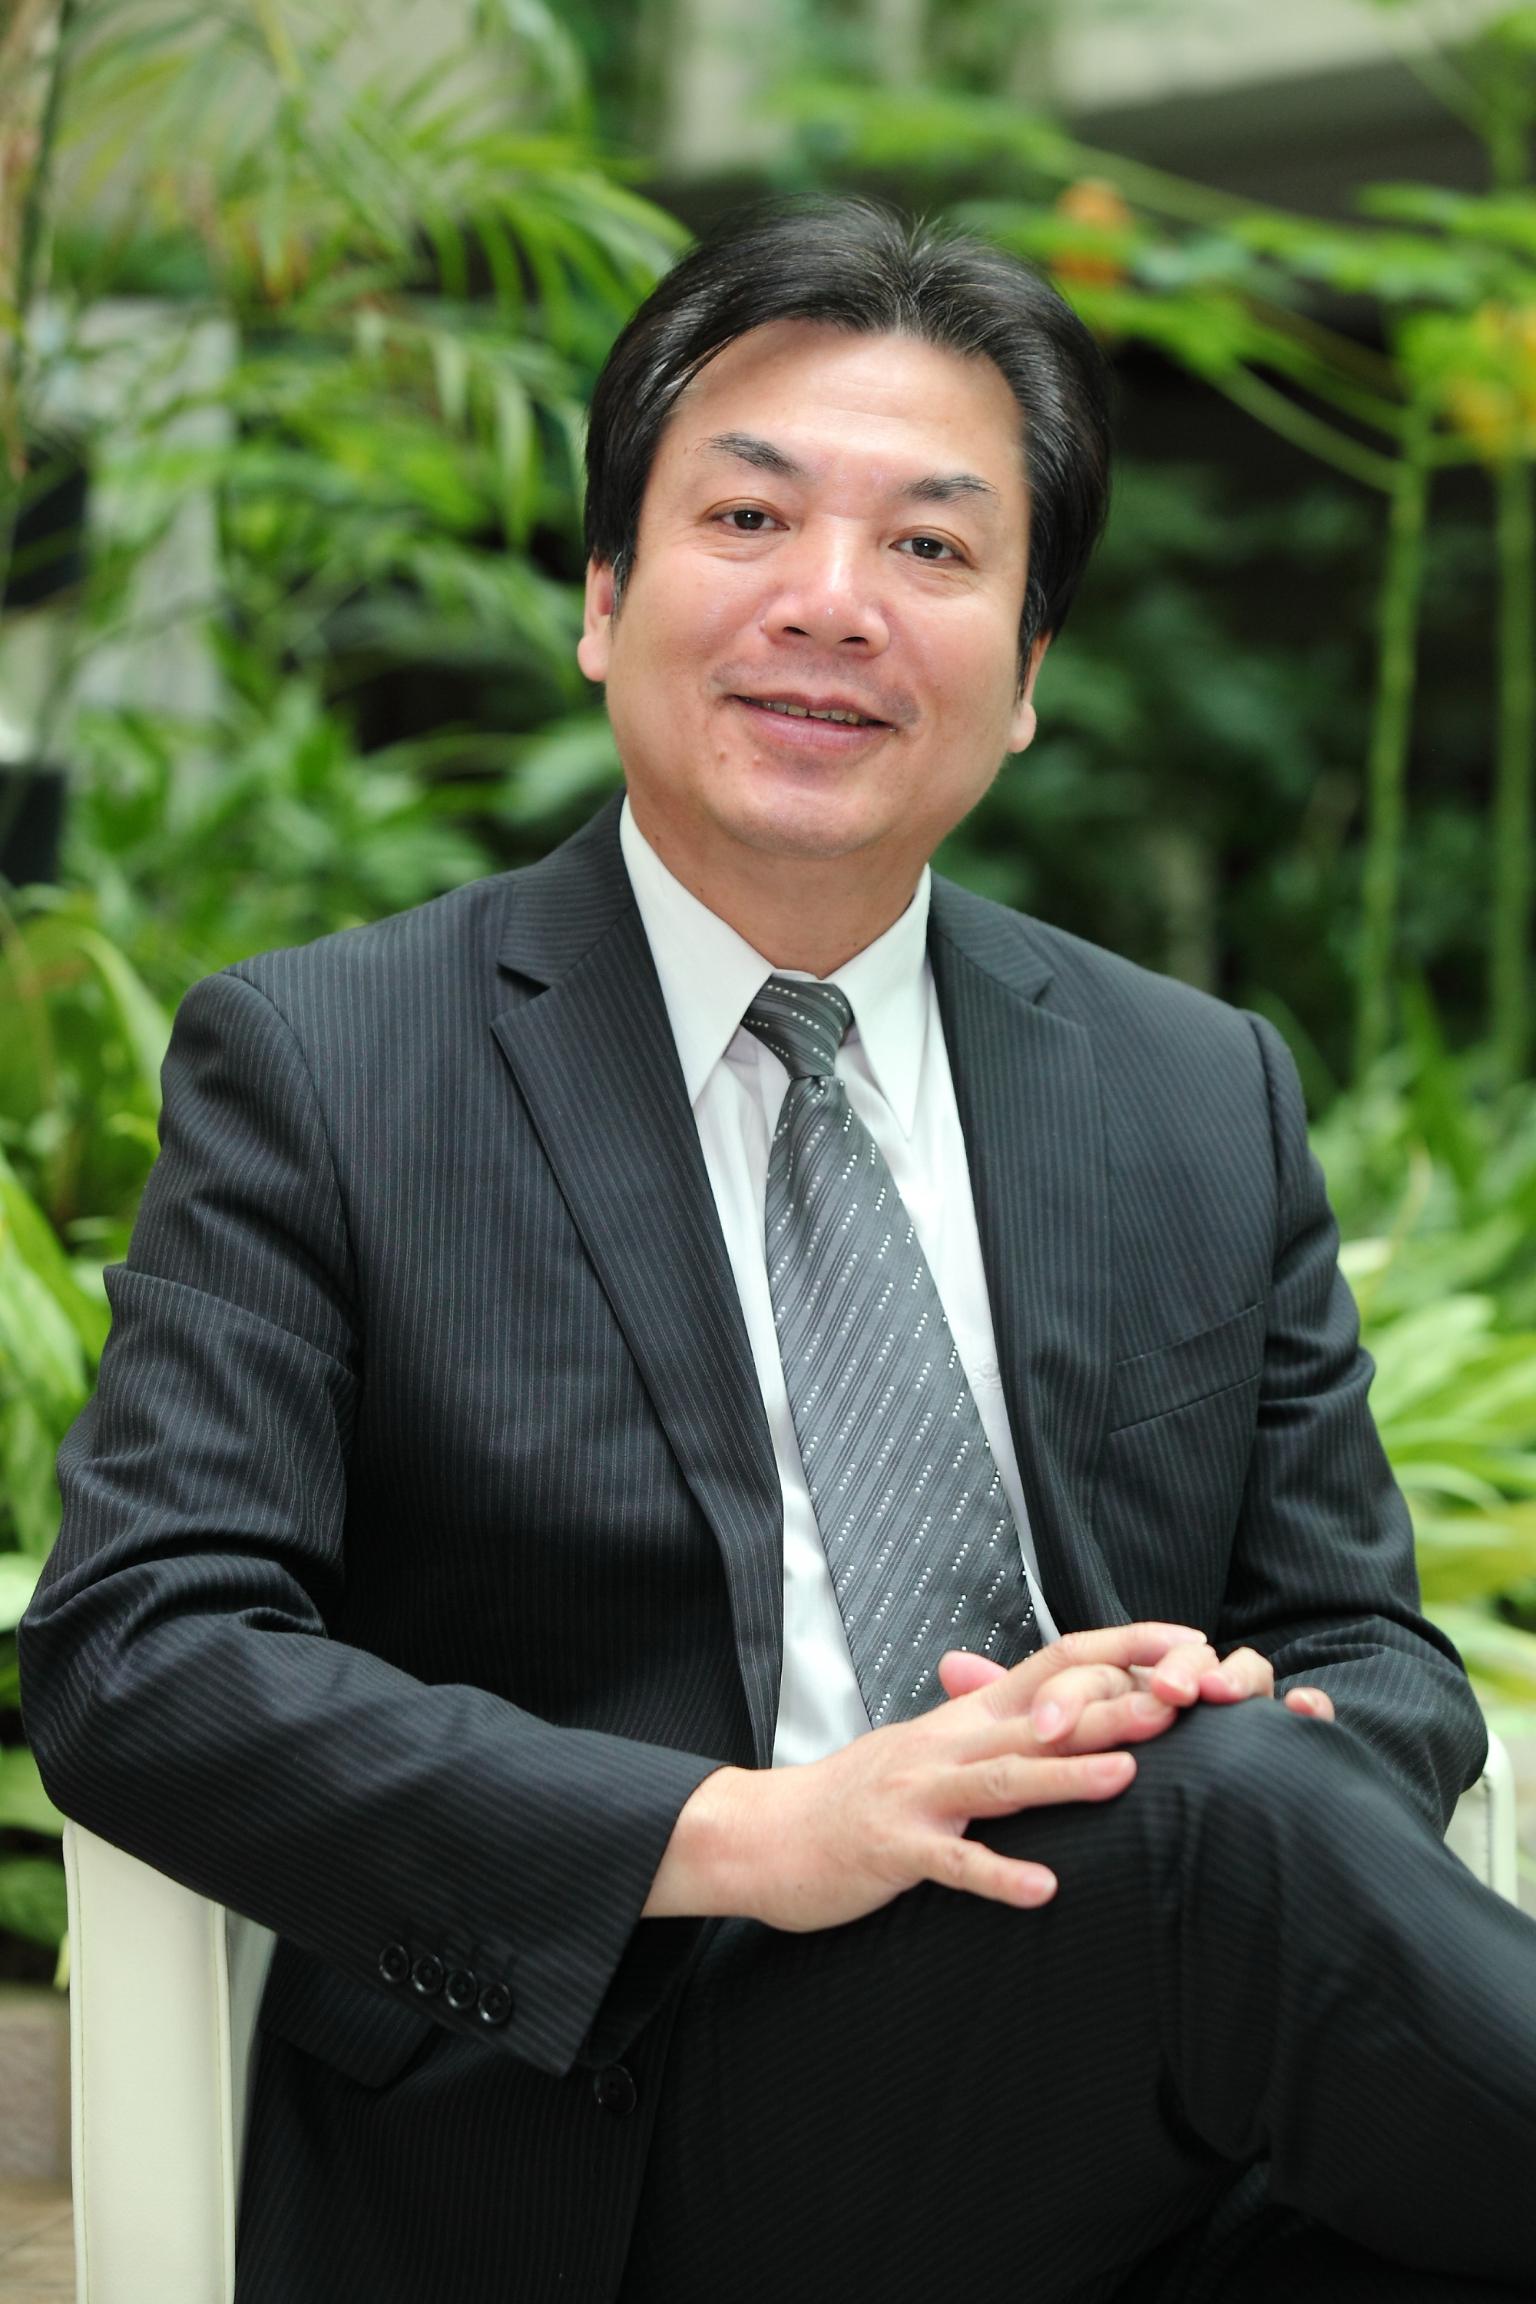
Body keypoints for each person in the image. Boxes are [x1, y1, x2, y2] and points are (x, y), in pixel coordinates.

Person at [19, 200, 1536, 2304]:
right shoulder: (334, 1063)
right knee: (1237, 1841)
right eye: (749, 517)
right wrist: (758, 1832)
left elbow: (1373, 1653)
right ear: (604, 598)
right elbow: (146, 1655)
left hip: (1134, 2085)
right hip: (604, 2133)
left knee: (1264, 1868)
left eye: (932, 548)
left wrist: (1224, 1711)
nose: (833, 603)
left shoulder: (1195, 1088)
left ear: (1027, 678)